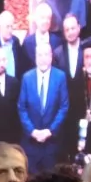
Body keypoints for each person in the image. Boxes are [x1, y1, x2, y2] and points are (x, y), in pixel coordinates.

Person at [17, 41, 68, 172]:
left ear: (51, 56)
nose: (43, 58)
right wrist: (32, 131)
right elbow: (22, 108)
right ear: (35, 57)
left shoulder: (60, 77)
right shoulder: (27, 77)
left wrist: (50, 131)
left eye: (46, 54)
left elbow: (64, 106)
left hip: (52, 145)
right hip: (31, 144)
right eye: (40, 55)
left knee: (51, 180)